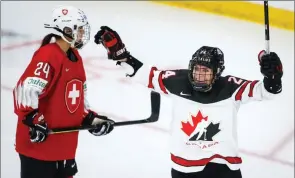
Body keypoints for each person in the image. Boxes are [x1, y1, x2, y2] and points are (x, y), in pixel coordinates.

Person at [94, 26, 283, 178]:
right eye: (197, 69)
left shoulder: (231, 88)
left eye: (206, 71)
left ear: (217, 73)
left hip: (224, 167)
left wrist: (273, 77)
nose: (199, 76)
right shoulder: (177, 81)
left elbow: (267, 92)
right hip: (184, 169)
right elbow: (144, 74)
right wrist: (120, 53)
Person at [13, 7, 115, 178]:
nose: (83, 33)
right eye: (80, 29)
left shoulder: (75, 56)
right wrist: (32, 119)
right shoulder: (48, 55)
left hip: (64, 149)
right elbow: (24, 92)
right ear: (67, 30)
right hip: (39, 150)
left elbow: (76, 102)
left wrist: (90, 119)